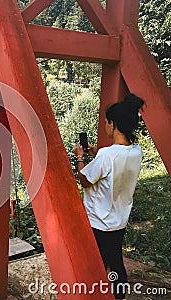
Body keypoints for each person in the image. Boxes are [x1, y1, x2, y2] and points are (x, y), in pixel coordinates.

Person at [74, 93, 145, 299]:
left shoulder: (107, 154)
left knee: (96, 266)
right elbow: (114, 167)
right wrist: (95, 154)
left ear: (113, 124)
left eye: (106, 122)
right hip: (118, 220)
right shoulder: (135, 151)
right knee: (115, 262)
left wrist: (79, 157)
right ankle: (119, 296)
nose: (105, 126)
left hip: (99, 222)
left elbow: (85, 179)